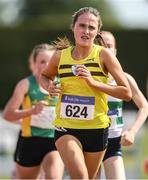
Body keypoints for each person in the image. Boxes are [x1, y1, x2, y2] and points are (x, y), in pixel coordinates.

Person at [39, 7, 132, 179]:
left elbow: (126, 93)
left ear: (97, 32)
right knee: (81, 176)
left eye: (91, 28)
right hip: (66, 127)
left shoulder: (104, 56)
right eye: (82, 26)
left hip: (97, 129)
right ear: (73, 27)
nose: (86, 31)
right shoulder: (60, 56)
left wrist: (93, 82)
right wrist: (49, 86)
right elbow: (44, 76)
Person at [3, 44, 64, 179]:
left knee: (54, 176)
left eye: (50, 61)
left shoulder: (63, 85)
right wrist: (31, 112)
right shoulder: (25, 85)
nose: (47, 65)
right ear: (34, 64)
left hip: (54, 140)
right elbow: (8, 115)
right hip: (30, 141)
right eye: (42, 61)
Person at [96, 31, 148, 179]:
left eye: (109, 46)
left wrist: (132, 131)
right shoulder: (85, 78)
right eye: (100, 46)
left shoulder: (125, 78)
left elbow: (144, 106)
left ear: (115, 51)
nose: (105, 50)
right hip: (88, 141)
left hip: (113, 141)